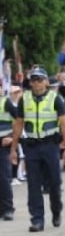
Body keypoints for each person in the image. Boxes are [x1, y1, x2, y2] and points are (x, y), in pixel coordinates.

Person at [9, 67, 65, 232]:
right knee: (34, 184)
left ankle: (56, 210)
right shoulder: (25, 99)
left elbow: (64, 124)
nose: (36, 83)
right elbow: (18, 124)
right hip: (32, 146)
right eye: (33, 80)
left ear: (46, 81)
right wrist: (14, 149)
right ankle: (37, 219)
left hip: (50, 145)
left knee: (54, 183)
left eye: (39, 79)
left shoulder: (55, 99)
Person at [0, 85, 19, 221]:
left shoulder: (5, 102)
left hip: (3, 145)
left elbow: (20, 121)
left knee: (3, 178)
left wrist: (12, 137)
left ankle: (7, 209)